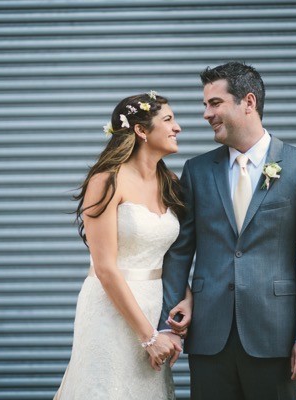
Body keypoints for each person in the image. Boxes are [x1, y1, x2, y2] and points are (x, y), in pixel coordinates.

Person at [156, 61, 296, 399]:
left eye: (215, 103)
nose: (205, 114)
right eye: (205, 104)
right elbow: (179, 252)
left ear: (248, 102)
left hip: (274, 336)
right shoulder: (196, 170)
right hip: (208, 337)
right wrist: (169, 324)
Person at [54, 92, 192, 400]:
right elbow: (105, 268)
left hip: (154, 307)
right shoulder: (106, 181)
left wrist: (186, 298)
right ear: (141, 131)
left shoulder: (169, 180)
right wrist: (148, 337)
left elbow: (169, 255)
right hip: (111, 309)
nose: (178, 127)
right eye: (168, 120)